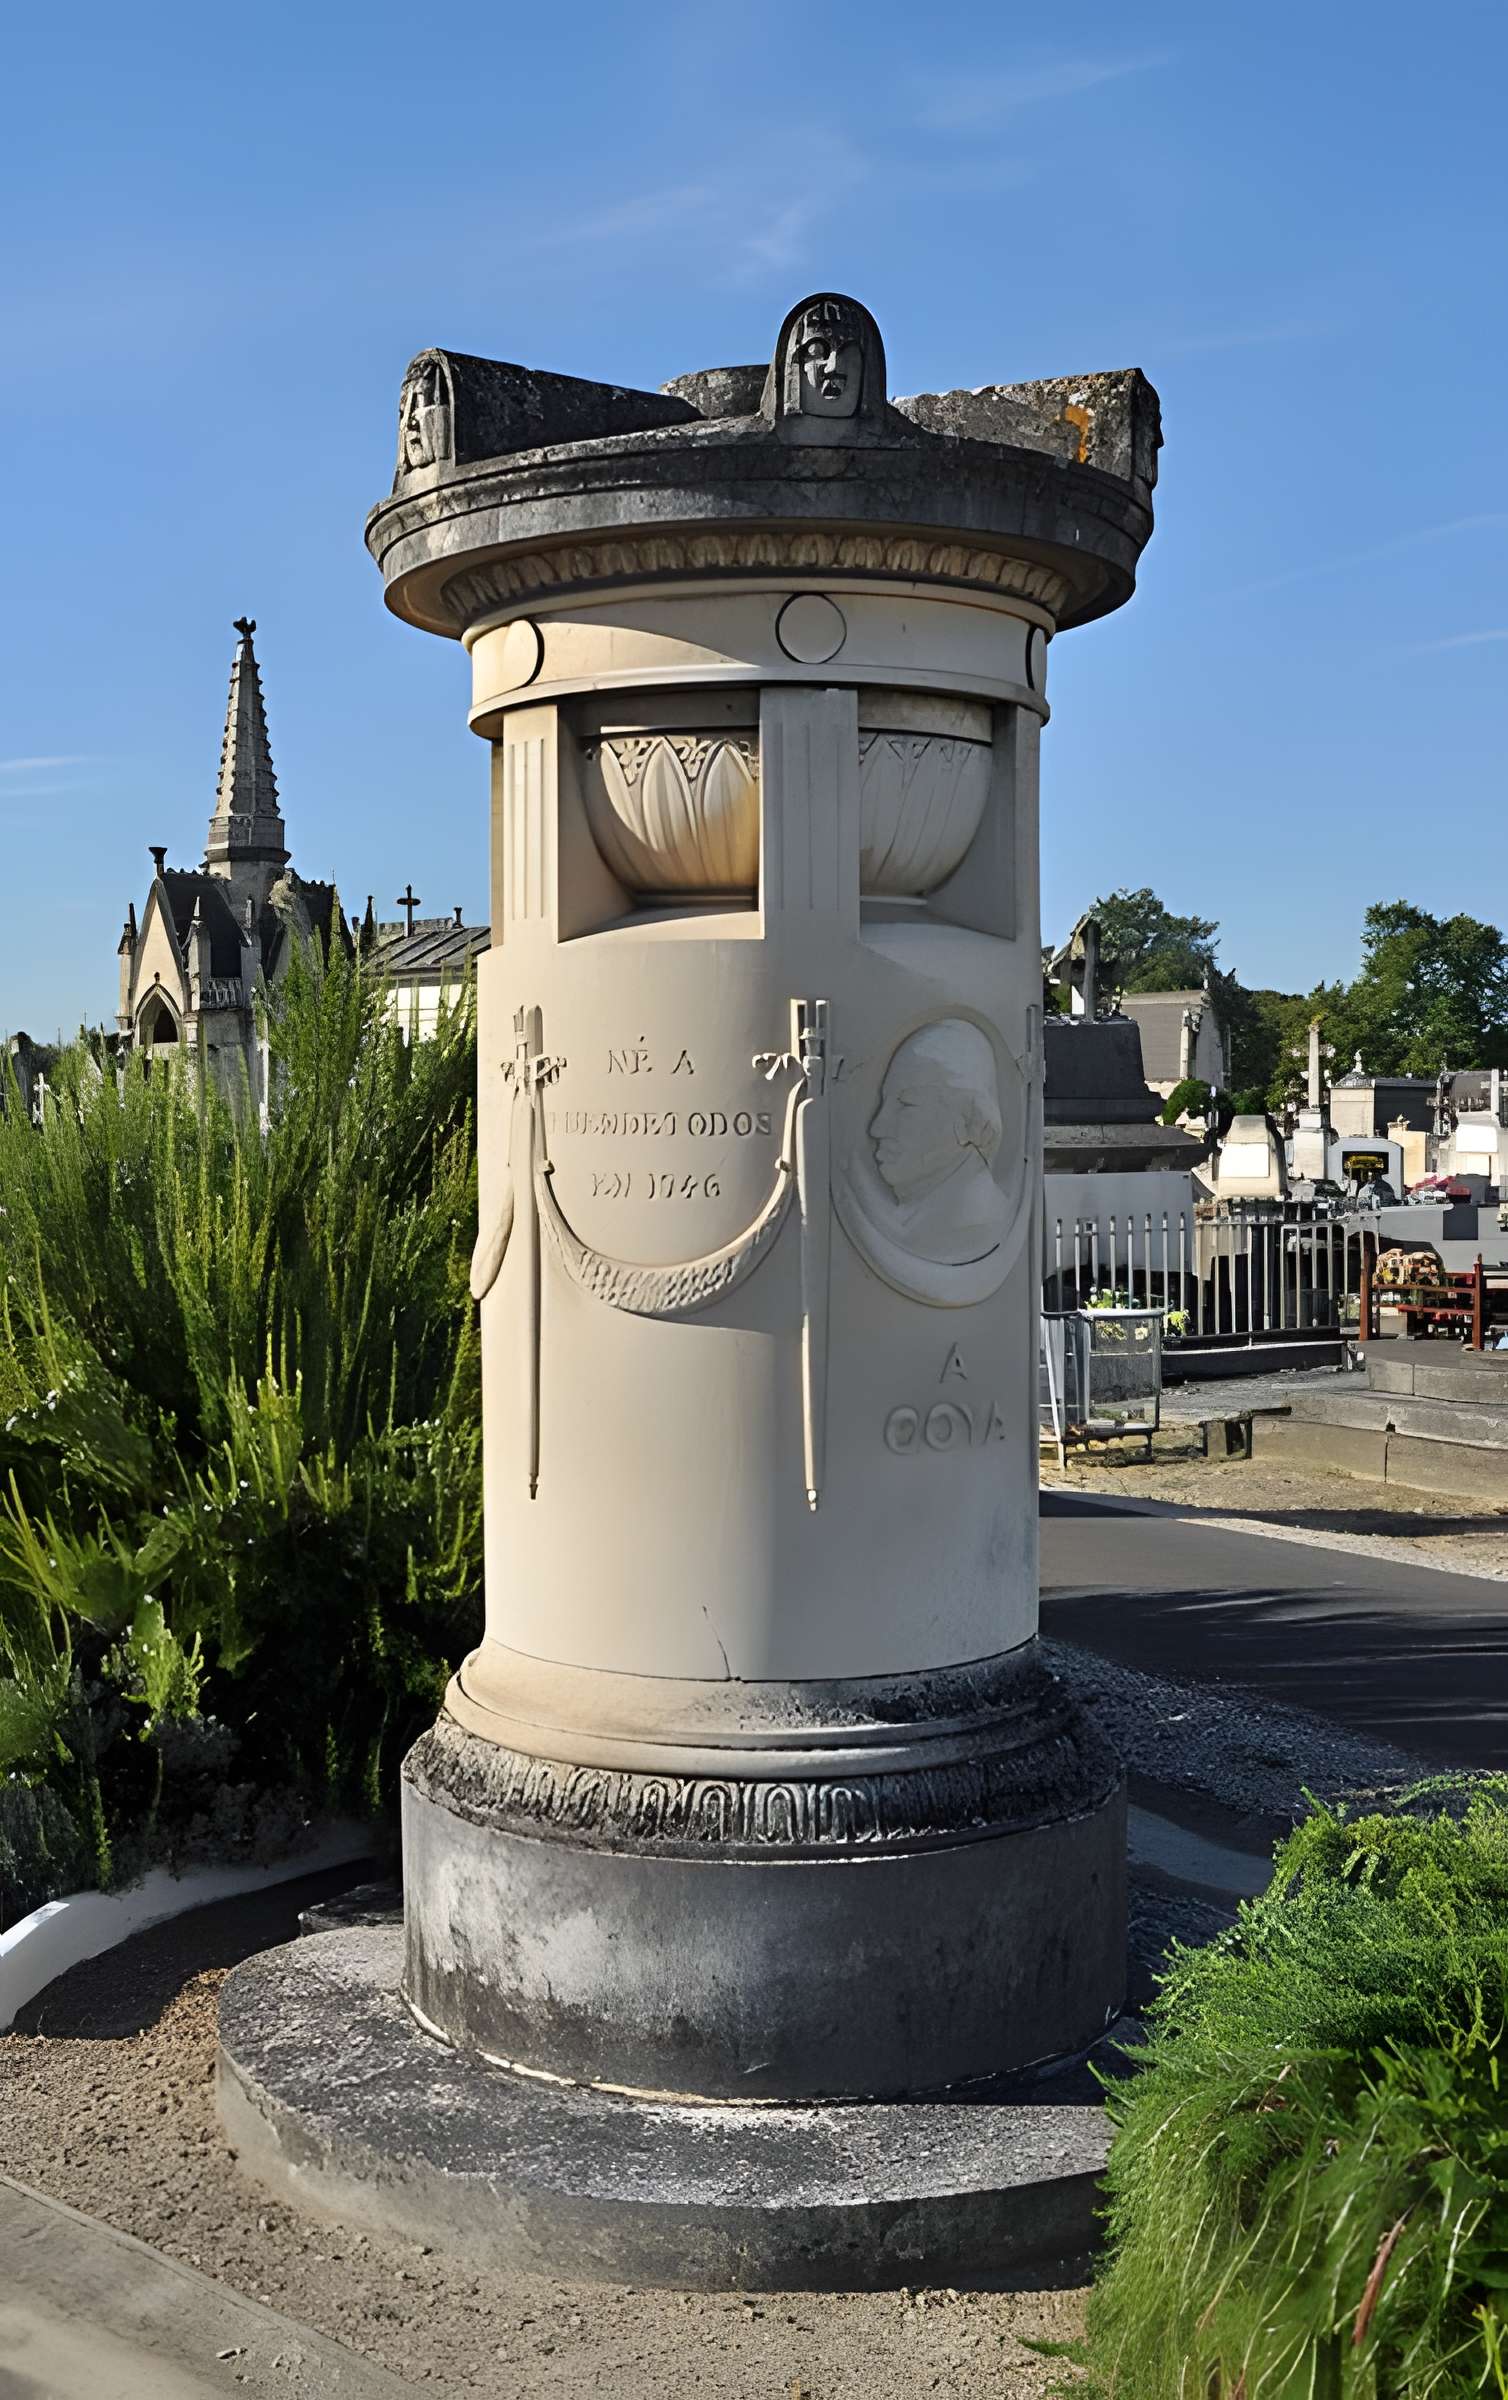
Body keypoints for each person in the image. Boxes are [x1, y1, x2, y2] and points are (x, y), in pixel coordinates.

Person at [867, 1019, 1009, 1265]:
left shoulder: (974, 1221)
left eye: (906, 1105)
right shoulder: (910, 1219)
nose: (877, 1128)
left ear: (967, 1120)